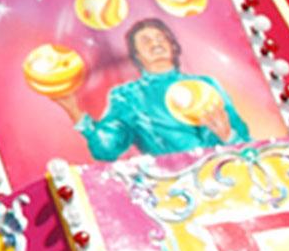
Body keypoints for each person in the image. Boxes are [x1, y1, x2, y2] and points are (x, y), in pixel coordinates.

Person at [46, 18, 248, 160]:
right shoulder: (128, 96)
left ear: (173, 46)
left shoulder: (207, 84)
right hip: (175, 187)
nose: (156, 44)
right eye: (146, 41)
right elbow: (107, 149)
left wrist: (229, 137)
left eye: (161, 38)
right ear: (137, 56)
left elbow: (244, 140)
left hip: (223, 176)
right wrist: (75, 113)